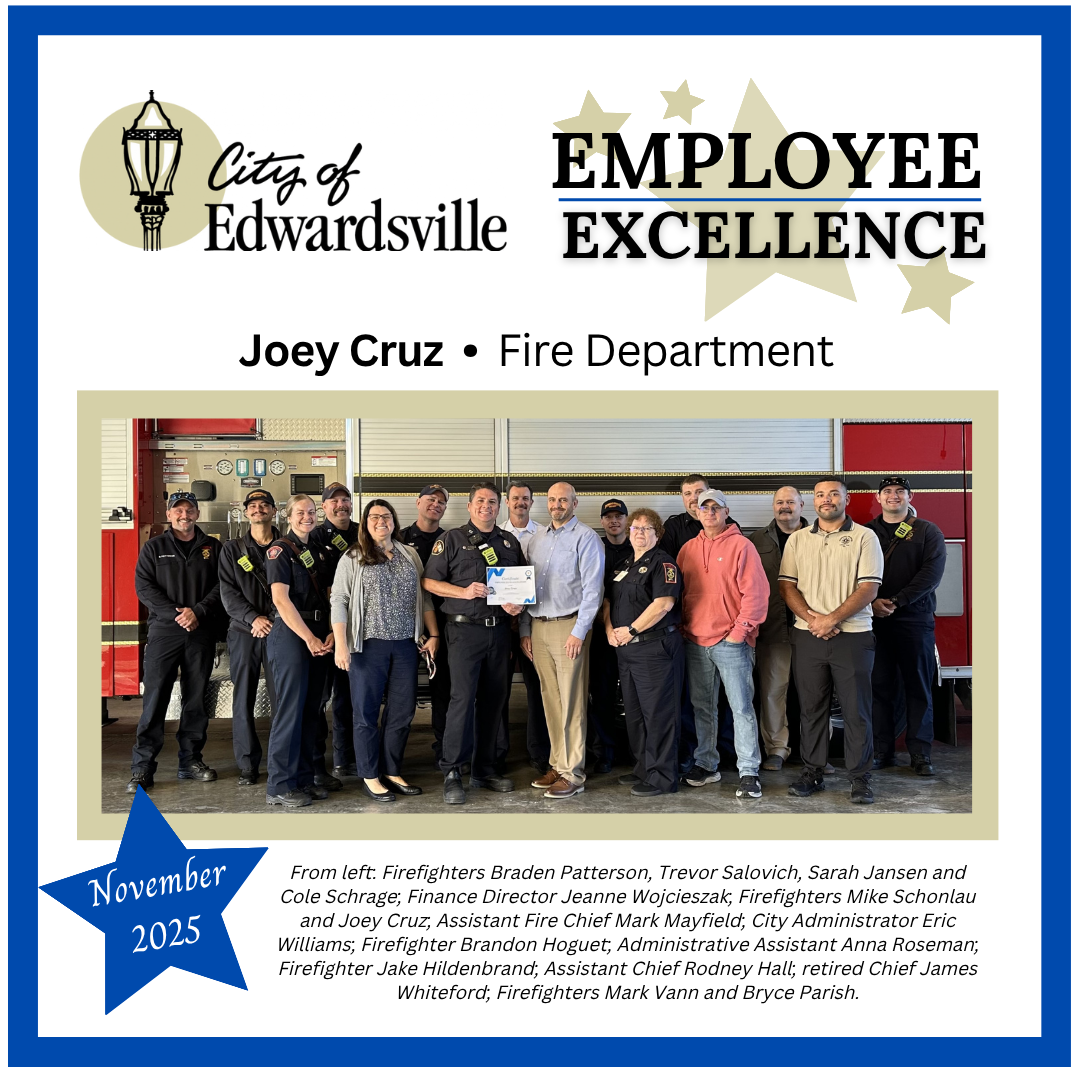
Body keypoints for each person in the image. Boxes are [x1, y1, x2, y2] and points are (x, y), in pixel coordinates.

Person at [779, 478, 883, 805]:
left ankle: (860, 778)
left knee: (856, 710)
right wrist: (814, 620)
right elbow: (787, 586)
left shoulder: (865, 537)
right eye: (821, 495)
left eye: (833, 494)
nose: (827, 499)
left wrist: (831, 619)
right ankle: (813, 772)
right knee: (811, 710)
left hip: (853, 636)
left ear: (846, 499)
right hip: (808, 634)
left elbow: (869, 588)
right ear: (813, 501)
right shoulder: (797, 540)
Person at [422, 483, 525, 804]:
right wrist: (463, 592)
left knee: (495, 700)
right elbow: (428, 581)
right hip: (463, 633)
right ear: (469, 507)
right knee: (462, 701)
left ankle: (484, 768)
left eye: (492, 502)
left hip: (498, 633)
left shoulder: (509, 542)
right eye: (480, 501)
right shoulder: (451, 539)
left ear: (500, 507)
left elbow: (521, 584)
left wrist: (516, 604)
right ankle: (452, 770)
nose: (486, 506)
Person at [332, 499, 438, 802]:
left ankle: (392, 770)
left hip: (405, 645)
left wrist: (433, 634)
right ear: (365, 523)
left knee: (402, 712)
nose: (381, 521)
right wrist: (341, 644)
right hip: (367, 648)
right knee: (365, 713)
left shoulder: (410, 555)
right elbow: (338, 600)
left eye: (386, 516)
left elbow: (425, 599)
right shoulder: (353, 557)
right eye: (374, 517)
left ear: (394, 521)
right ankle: (370, 774)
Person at [127, 492, 223, 793]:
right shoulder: (154, 547)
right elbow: (143, 586)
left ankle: (190, 761)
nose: (184, 515)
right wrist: (175, 614)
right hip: (164, 634)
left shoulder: (213, 547)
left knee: (195, 700)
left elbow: (223, 584)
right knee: (155, 700)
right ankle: (142, 768)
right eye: (178, 510)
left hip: (200, 632)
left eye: (190, 510)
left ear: (197, 513)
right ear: (169, 514)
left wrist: (198, 611)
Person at [678, 489, 770, 799]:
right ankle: (707, 764)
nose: (709, 512)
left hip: (732, 643)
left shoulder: (742, 546)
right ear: (697, 512)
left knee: (741, 708)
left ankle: (749, 771)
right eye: (704, 507)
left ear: (726, 511)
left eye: (715, 507)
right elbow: (679, 594)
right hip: (694, 641)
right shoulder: (687, 549)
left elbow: (757, 594)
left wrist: (739, 632)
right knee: (703, 707)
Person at [520, 482, 604, 800]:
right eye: (552, 500)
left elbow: (594, 591)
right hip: (539, 628)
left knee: (572, 702)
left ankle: (574, 772)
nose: (557, 504)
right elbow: (528, 588)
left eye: (563, 500)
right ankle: (558, 763)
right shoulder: (536, 539)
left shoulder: (587, 539)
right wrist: (526, 629)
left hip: (569, 626)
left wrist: (579, 632)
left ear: (574, 503)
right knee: (551, 701)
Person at [866, 476, 947, 776]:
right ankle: (882, 751)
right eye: (887, 491)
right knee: (879, 687)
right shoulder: (867, 532)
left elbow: (931, 574)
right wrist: (871, 603)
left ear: (910, 497)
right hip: (874, 621)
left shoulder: (927, 531)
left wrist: (898, 601)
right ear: (878, 498)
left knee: (918, 688)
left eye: (900, 491)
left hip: (915, 621)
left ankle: (920, 755)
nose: (893, 496)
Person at [603, 508, 684, 796]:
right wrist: (609, 629)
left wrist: (632, 630)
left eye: (646, 528)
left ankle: (663, 777)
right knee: (635, 714)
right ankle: (644, 768)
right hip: (626, 651)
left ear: (657, 534)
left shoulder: (664, 564)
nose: (639, 532)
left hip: (655, 649)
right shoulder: (624, 564)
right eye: (635, 527)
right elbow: (609, 602)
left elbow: (663, 604)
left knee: (658, 715)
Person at [264, 495, 336, 809]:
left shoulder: (320, 551)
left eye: (311, 512)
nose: (307, 517)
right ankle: (279, 785)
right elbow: (281, 600)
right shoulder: (279, 551)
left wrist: (333, 630)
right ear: (288, 515)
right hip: (294, 636)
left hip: (320, 633)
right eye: (300, 512)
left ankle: (303, 780)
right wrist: (308, 637)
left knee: (311, 711)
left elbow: (334, 595)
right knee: (289, 712)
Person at [219, 489, 280, 786]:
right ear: (245, 513)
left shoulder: (287, 545)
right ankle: (247, 764)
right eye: (253, 506)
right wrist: (253, 618)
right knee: (242, 699)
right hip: (244, 632)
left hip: (279, 631)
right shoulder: (231, 550)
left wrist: (270, 619)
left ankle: (280, 761)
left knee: (281, 698)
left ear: (274, 511)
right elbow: (227, 592)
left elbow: (296, 588)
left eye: (264, 505)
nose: (258, 509)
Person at [749, 487, 809, 772]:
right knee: (773, 692)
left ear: (801, 504)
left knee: (815, 692)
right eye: (779, 502)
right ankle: (776, 749)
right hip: (772, 629)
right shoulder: (757, 540)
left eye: (790, 502)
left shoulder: (820, 536)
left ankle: (815, 750)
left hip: (812, 628)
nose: (785, 507)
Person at [311, 481, 359, 787]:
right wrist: (329, 628)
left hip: (356, 629)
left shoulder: (362, 532)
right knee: (318, 699)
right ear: (324, 507)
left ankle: (346, 759)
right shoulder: (313, 537)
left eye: (345, 500)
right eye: (334, 501)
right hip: (324, 632)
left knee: (349, 698)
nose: (340, 505)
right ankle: (316, 764)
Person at [400, 484, 452, 765]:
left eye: (441, 501)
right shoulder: (400, 538)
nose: (435, 504)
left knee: (442, 689)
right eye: (430, 500)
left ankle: (444, 749)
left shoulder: (452, 538)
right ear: (417, 502)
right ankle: (396, 756)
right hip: (404, 627)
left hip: (441, 627)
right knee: (402, 691)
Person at [499, 481, 548, 773]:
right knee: (498, 692)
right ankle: (498, 754)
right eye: (515, 497)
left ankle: (539, 753)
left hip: (533, 625)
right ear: (507, 501)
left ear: (532, 502)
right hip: (501, 627)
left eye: (525, 498)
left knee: (537, 691)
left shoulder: (543, 535)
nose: (520, 502)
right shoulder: (496, 535)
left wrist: (526, 625)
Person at [588, 498, 633, 773]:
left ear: (626, 520)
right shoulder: (595, 548)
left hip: (633, 635)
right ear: (602, 522)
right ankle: (604, 752)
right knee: (601, 696)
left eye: (619, 516)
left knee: (634, 697)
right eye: (609, 517)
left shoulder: (639, 547)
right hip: (601, 635)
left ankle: (634, 750)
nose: (614, 521)